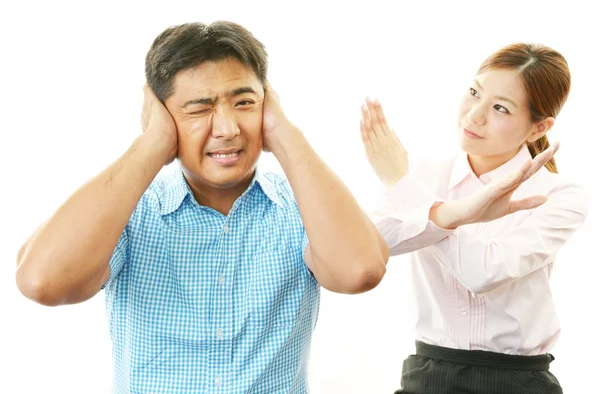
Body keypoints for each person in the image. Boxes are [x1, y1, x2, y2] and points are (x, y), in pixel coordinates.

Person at [15, 21, 389, 394]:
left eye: (245, 102)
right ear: (161, 112)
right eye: (198, 109)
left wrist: (284, 134)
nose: (227, 128)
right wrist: (151, 144)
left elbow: (360, 271)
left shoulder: (301, 206)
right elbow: (42, 282)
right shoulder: (132, 211)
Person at [360, 43, 587, 393]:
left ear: (538, 127)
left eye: (500, 108)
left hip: (518, 381)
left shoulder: (558, 195)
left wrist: (405, 189)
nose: (474, 115)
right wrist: (444, 209)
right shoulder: (422, 175)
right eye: (473, 92)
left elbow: (484, 272)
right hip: (427, 376)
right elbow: (366, 248)